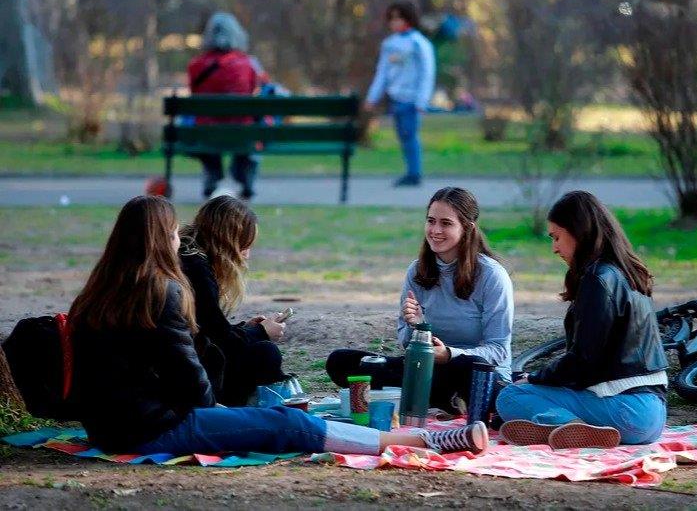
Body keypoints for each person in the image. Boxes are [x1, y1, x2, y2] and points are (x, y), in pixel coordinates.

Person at [70, 195, 488, 458]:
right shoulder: (163, 292)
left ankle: (420, 439)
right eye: (173, 233)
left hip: (114, 427)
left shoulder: (97, 293)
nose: (180, 239)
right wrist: (218, 410)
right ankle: (426, 441)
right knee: (285, 424)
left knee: (273, 417)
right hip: (152, 429)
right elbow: (191, 380)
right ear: (160, 239)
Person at [496, 191, 668, 449]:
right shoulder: (626, 273)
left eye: (556, 237)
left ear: (579, 231)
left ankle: (569, 426)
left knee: (510, 397)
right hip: (653, 418)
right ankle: (566, 427)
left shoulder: (599, 279)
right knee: (524, 393)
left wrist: (534, 378)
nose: (554, 248)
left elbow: (583, 362)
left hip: (626, 411)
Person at [326, 187, 514, 413]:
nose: (435, 230)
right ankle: (444, 400)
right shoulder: (417, 271)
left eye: (446, 223)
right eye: (431, 221)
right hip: (427, 367)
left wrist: (449, 354)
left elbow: (498, 350)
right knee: (342, 362)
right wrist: (418, 328)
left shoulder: (492, 275)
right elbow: (407, 345)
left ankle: (441, 397)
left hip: (474, 371)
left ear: (467, 228)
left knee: (468, 370)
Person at [179, 195, 287, 406]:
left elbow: (209, 327)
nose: (246, 256)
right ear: (228, 241)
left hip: (186, 360)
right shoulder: (197, 269)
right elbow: (219, 340)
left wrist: (246, 329)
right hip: (188, 375)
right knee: (265, 353)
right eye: (244, 246)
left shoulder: (190, 256)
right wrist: (261, 332)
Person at [187, 12, 265, 200]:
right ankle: (244, 178)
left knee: (203, 125)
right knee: (254, 126)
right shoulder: (248, 64)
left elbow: (194, 94)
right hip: (241, 131)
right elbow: (259, 89)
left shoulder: (196, 65)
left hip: (207, 131)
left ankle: (212, 177)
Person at [364, 1, 436, 187]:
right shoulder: (389, 44)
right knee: (403, 135)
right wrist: (373, 97)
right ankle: (411, 171)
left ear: (409, 18)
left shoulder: (418, 43)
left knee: (410, 134)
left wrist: (422, 100)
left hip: (411, 99)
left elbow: (427, 73)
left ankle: (414, 173)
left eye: (399, 18)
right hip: (395, 98)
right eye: (392, 18)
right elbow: (382, 73)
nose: (395, 22)